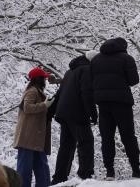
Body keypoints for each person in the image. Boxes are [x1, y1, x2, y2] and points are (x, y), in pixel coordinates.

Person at [89, 37, 140, 178]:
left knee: (107, 138)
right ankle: (136, 170)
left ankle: (109, 172)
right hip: (122, 103)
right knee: (128, 136)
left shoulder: (95, 60)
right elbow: (134, 80)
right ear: (123, 47)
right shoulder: (126, 59)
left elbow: (91, 81)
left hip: (103, 104)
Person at [51, 53, 97, 184]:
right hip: (78, 113)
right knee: (86, 142)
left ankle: (58, 178)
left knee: (66, 146)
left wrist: (52, 112)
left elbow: (59, 93)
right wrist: (93, 114)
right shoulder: (86, 70)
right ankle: (85, 175)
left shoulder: (69, 72)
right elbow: (87, 93)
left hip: (63, 113)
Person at [14, 68, 54, 187]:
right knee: (25, 170)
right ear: (38, 79)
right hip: (28, 138)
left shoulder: (36, 91)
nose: (45, 80)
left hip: (35, 138)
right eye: (44, 78)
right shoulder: (32, 91)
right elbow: (28, 107)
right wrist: (45, 105)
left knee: (42, 168)